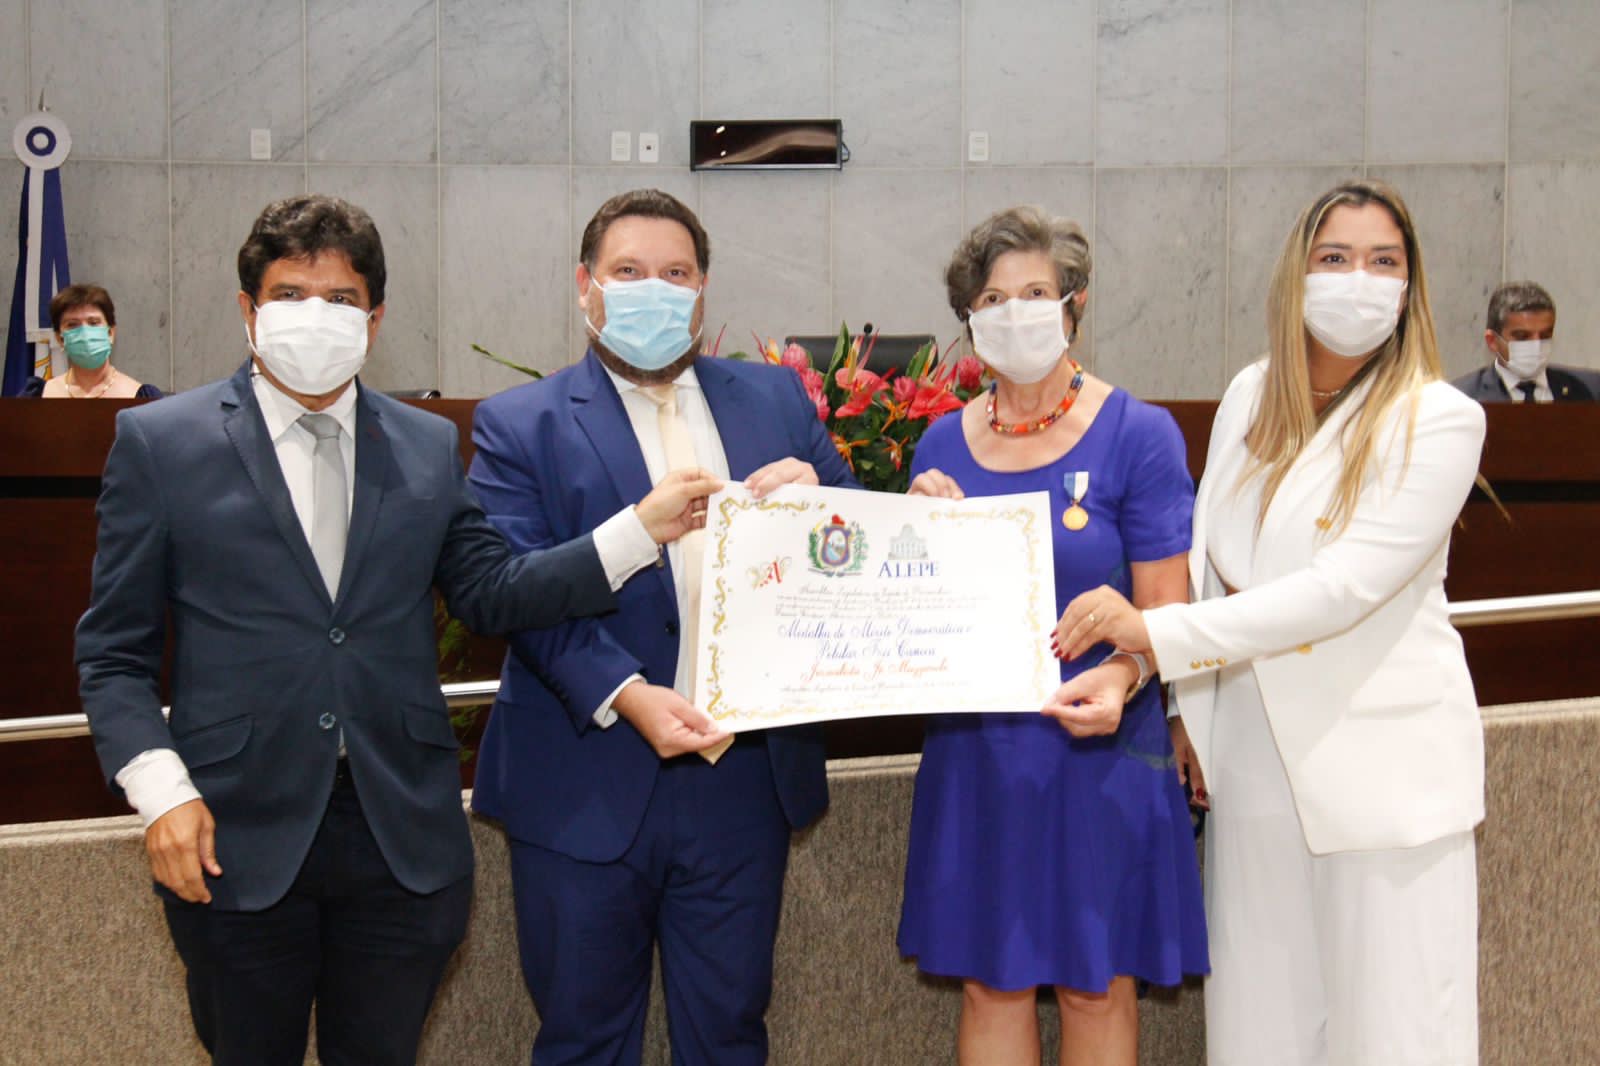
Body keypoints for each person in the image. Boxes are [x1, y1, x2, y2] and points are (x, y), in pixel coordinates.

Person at [75, 194, 722, 1066]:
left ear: (374, 320)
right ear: (247, 310)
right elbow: (113, 655)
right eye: (291, 293)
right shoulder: (160, 441)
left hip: (400, 844)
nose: (318, 316)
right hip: (233, 837)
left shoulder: (422, 445)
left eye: (341, 299)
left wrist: (634, 532)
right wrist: (163, 793)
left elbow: (492, 593)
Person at [1054, 180, 1486, 1066]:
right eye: (1334, 258)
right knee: (1261, 1034)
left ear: (1411, 287)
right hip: (1252, 771)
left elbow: (1341, 590)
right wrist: (1174, 704)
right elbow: (1215, 564)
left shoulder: (1440, 419)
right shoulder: (1252, 396)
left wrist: (1151, 636)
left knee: (1396, 1033)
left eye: (1382, 262)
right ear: (1297, 273)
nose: (1356, 279)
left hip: (1382, 780)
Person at [466, 187, 855, 1066]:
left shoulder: (776, 402)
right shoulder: (519, 426)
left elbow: (858, 544)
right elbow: (508, 592)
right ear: (585, 286)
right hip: (585, 782)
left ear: (703, 291)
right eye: (628, 272)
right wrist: (627, 690)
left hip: (741, 784)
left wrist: (828, 511)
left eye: (674, 273)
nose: (654, 289)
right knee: (583, 1042)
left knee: (729, 1036)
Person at [897, 205, 1208, 1066]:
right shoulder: (936, 445)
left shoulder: (1139, 435)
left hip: (1100, 752)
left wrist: (1126, 670)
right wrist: (910, 543)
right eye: (993, 297)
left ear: (1074, 302)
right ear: (969, 319)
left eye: (1035, 291)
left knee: (1093, 984)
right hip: (980, 755)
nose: (1015, 311)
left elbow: (1168, 613)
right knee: (990, 982)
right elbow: (914, 618)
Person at [1450, 280, 1599, 402]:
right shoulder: (1462, 398)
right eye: (1522, 336)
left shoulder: (1590, 388)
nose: (1536, 344)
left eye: (1545, 335)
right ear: (1492, 341)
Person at [26, 283, 162, 398]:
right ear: (60, 339)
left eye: (93, 322)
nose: (85, 332)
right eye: (72, 324)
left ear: (110, 333)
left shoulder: (143, 398)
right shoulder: (37, 396)